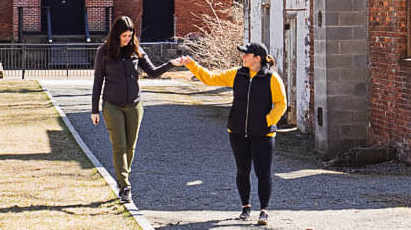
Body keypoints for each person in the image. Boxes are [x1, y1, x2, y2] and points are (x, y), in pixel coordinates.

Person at [175, 42, 286, 227]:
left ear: (257, 58)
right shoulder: (237, 74)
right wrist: (190, 64)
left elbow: (281, 103)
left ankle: (264, 211)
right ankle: (245, 208)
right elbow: (210, 78)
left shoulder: (271, 78)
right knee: (242, 171)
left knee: (263, 173)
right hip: (237, 132)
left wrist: (268, 121)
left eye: (246, 55)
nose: (242, 57)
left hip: (263, 134)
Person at [91, 16, 177, 205]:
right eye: (124, 35)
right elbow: (98, 81)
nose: (127, 39)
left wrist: (173, 64)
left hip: (134, 105)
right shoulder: (104, 52)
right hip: (112, 105)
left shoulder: (136, 50)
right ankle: (125, 187)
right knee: (119, 146)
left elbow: (153, 72)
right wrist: (94, 109)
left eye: (130, 35)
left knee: (130, 146)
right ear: (116, 34)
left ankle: (123, 178)